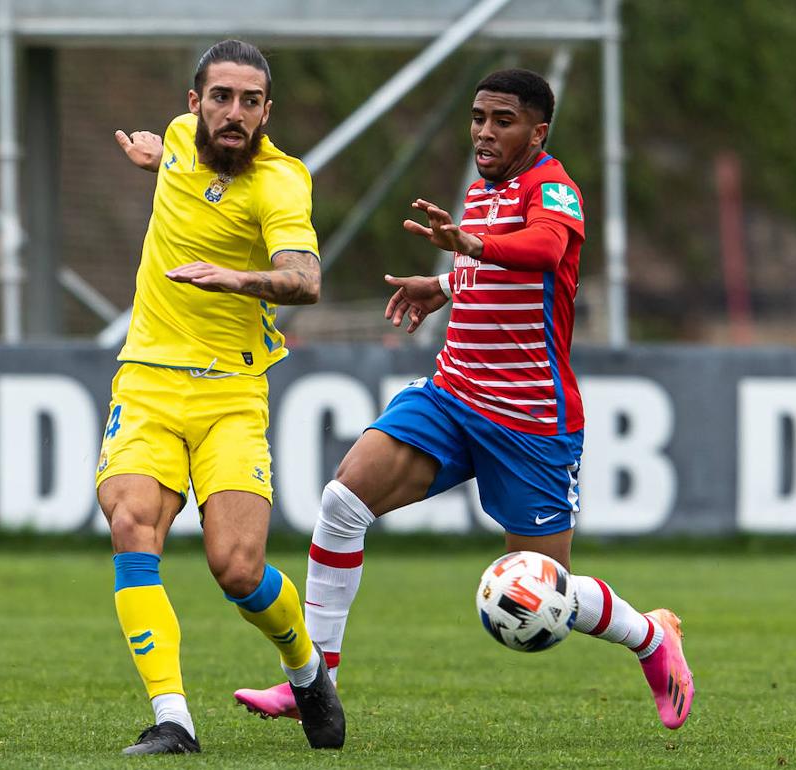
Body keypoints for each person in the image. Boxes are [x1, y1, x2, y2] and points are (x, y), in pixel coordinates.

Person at [233, 68, 694, 730]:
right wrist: (444, 285)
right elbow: (494, 267)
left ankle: (651, 636)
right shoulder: (481, 193)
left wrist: (470, 247)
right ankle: (315, 682)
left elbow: (543, 249)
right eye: (478, 117)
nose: (483, 130)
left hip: (530, 419)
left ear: (537, 132)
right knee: (343, 502)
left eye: (502, 120)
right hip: (453, 394)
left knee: (543, 596)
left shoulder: (555, 190)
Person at [97, 39, 345, 755]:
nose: (233, 113)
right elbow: (176, 164)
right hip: (146, 377)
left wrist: (239, 279)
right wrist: (154, 159)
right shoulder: (177, 142)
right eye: (220, 98)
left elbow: (304, 279)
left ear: (268, 110)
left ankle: (306, 669)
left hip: (234, 390)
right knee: (132, 524)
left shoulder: (279, 181)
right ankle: (173, 719)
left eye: (249, 101)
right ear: (193, 104)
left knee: (236, 568)